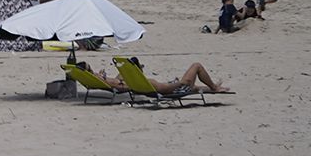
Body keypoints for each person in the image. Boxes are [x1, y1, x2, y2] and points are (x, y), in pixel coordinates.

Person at [95, 58, 228, 94]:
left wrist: (102, 76)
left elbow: (117, 82)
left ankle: (212, 87)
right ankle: (214, 87)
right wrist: (181, 83)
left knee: (194, 87)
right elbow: (164, 89)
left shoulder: (123, 83)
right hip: (176, 88)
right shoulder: (119, 83)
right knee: (196, 65)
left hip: (168, 87)